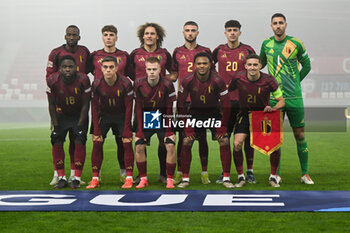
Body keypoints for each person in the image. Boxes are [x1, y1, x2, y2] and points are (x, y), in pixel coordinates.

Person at [259, 13, 314, 184]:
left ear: (286, 25)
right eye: (275, 23)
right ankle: (276, 174)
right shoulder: (266, 44)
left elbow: (307, 65)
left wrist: (296, 81)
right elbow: (259, 65)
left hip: (295, 98)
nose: (278, 26)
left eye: (280, 23)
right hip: (275, 99)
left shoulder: (296, 43)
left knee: (300, 135)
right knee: (275, 138)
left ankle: (305, 173)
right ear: (271, 26)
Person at [177, 52, 234, 188]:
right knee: (186, 141)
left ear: (210, 65)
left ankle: (226, 178)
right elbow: (180, 104)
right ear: (194, 66)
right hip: (195, 115)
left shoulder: (218, 81)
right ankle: (185, 178)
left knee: (224, 140)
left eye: (205, 63)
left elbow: (226, 104)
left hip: (214, 114)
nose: (202, 66)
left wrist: (223, 126)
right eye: (199, 63)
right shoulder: (187, 80)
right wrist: (187, 127)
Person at [228, 54, 285, 187]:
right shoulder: (238, 78)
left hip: (263, 117)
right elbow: (228, 93)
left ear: (260, 66)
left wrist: (273, 108)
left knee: (275, 147)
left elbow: (281, 101)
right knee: (237, 144)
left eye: (255, 65)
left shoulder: (269, 80)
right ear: (245, 66)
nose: (252, 67)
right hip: (244, 116)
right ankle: (241, 177)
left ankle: (272, 178)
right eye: (250, 65)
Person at [212, 20, 257, 184]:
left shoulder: (247, 50)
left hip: (245, 101)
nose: (232, 33)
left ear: (240, 32)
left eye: (235, 30)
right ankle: (225, 173)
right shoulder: (218, 50)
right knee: (224, 137)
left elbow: (255, 70)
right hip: (224, 102)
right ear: (225, 32)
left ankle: (249, 171)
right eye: (229, 30)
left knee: (246, 138)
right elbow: (209, 68)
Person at [46, 25, 90, 186]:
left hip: (79, 102)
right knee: (57, 138)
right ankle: (58, 174)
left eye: (74, 35)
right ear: (65, 36)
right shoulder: (55, 53)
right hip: (60, 105)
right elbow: (49, 76)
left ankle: (74, 175)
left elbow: (91, 70)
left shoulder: (85, 52)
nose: (71, 37)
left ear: (79, 36)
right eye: (69, 35)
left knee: (76, 140)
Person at [130, 22, 173, 183]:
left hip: (161, 103)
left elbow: (173, 72)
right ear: (142, 36)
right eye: (146, 33)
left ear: (157, 36)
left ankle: (163, 174)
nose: (149, 36)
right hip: (142, 104)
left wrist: (164, 82)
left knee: (164, 141)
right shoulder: (135, 54)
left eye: (152, 33)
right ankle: (141, 176)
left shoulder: (165, 54)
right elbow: (129, 73)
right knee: (141, 139)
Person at [171, 21, 213, 185]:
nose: (190, 33)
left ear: (198, 32)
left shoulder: (205, 52)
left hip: (201, 102)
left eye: (193, 30)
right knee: (182, 138)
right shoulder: (177, 51)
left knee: (202, 138)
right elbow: (174, 75)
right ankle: (180, 172)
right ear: (183, 33)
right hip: (183, 101)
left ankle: (204, 172)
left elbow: (212, 74)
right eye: (187, 30)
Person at [89, 25, 131, 182]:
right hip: (101, 109)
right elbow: (83, 71)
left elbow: (135, 75)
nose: (108, 37)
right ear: (102, 37)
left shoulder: (125, 56)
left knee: (123, 143)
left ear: (116, 37)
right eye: (105, 34)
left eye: (111, 34)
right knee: (97, 141)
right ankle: (96, 176)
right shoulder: (94, 56)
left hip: (120, 106)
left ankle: (124, 173)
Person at [86, 56, 134, 189]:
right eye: (105, 67)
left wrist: (127, 128)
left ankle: (128, 177)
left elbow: (129, 107)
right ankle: (95, 178)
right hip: (104, 116)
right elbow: (94, 108)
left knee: (127, 142)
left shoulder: (126, 83)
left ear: (117, 68)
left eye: (111, 67)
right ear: (101, 69)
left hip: (121, 116)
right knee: (97, 142)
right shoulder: (96, 84)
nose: (108, 70)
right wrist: (96, 128)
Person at [134, 57, 177, 189]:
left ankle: (169, 179)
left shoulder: (167, 84)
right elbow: (139, 108)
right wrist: (140, 131)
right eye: (149, 69)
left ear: (160, 70)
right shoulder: (139, 84)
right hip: (146, 117)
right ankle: (143, 179)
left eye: (154, 69)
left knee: (170, 145)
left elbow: (169, 108)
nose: (152, 72)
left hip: (163, 117)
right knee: (139, 146)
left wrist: (169, 130)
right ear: (145, 70)